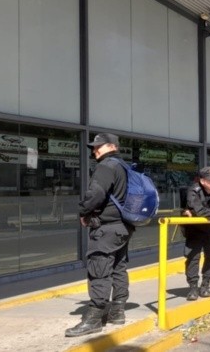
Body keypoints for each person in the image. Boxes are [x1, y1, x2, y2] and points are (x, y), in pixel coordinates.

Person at [66, 133, 134, 337]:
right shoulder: (124, 166)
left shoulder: (106, 166)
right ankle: (117, 312)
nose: (95, 150)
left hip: (106, 229)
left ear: (112, 146)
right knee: (118, 268)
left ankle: (94, 318)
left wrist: (83, 211)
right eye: (94, 147)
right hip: (123, 227)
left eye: (99, 146)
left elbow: (96, 193)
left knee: (99, 269)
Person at [183, 166, 210, 301]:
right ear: (202, 181)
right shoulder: (194, 190)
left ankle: (206, 284)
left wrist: (199, 212)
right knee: (192, 258)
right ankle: (193, 287)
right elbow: (199, 210)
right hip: (195, 230)